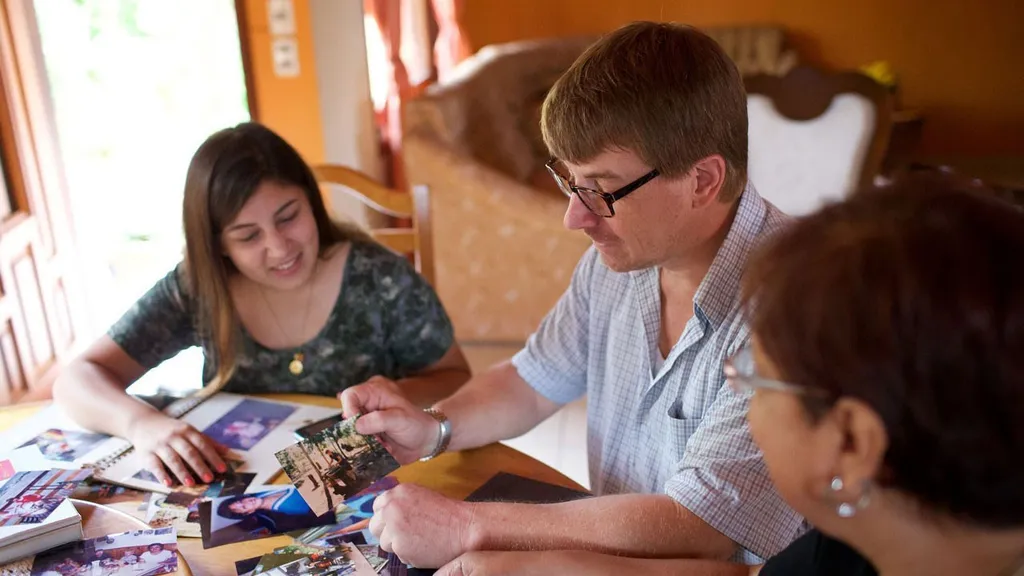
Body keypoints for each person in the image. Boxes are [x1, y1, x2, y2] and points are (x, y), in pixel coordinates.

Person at [340, 21, 804, 568]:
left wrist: (468, 525)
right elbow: (532, 381)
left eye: (602, 191)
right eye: (570, 182)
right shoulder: (618, 261)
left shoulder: (797, 305)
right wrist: (434, 428)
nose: (574, 216)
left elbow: (701, 525)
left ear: (703, 180)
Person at [432, 175, 1024, 575]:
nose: (735, 385)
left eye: (758, 374)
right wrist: (548, 564)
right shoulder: (857, 541)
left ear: (850, 443)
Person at [52, 122, 470, 488]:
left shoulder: (381, 278)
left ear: (311, 200)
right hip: (241, 496)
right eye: (248, 236)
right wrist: (141, 425)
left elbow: (454, 375)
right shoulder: (199, 287)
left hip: (380, 489)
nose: (278, 247)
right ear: (218, 244)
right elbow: (76, 380)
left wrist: (397, 392)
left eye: (288, 216)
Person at [216, 488, 323, 534]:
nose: (248, 501)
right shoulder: (291, 509)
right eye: (244, 507)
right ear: (249, 512)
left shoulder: (259, 492)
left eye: (241, 501)